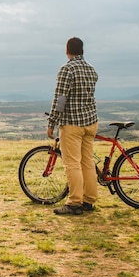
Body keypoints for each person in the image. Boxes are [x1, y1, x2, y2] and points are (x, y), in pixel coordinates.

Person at [46, 37, 99, 215]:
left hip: (72, 124)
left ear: (67, 51)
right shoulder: (91, 70)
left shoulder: (67, 69)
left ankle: (74, 202)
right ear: (82, 51)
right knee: (87, 162)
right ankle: (89, 200)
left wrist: (51, 122)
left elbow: (60, 100)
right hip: (91, 122)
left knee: (72, 164)